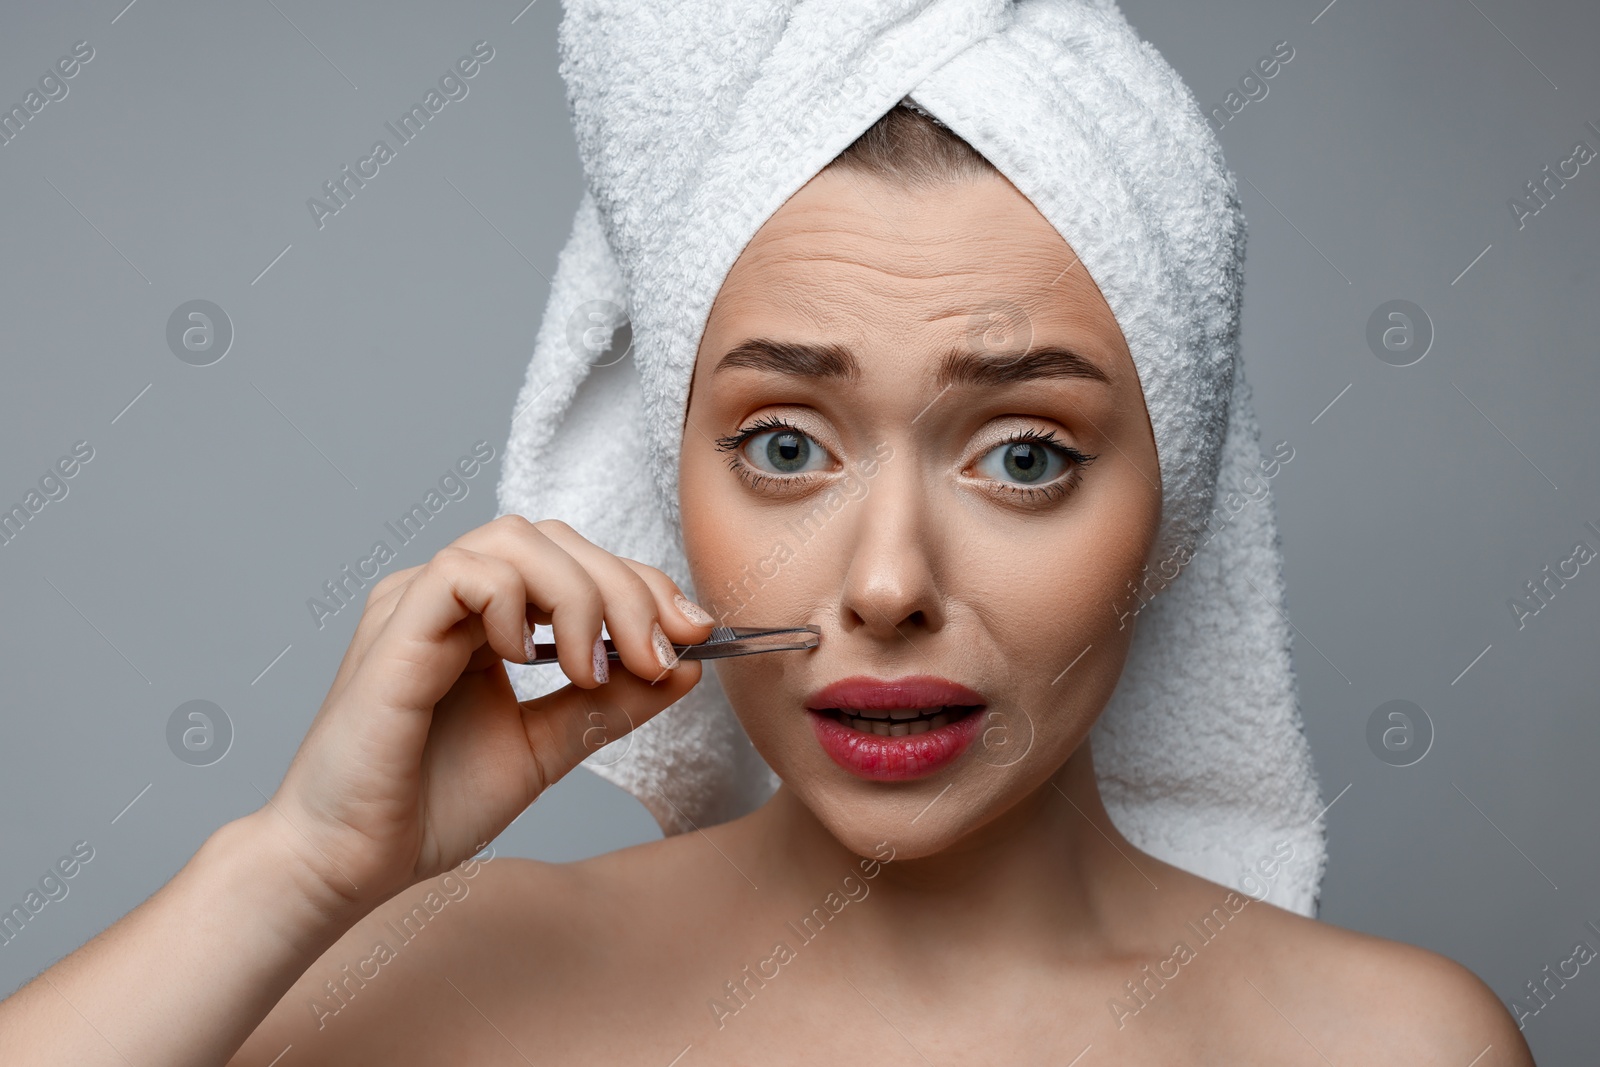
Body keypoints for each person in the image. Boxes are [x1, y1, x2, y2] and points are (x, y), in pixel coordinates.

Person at [0, 99, 1531, 1066]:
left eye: (1024, 455)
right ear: (674, 477)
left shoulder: (1385, 1045)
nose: (883, 583)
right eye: (787, 444)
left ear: (1173, 503)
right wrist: (295, 868)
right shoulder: (429, 984)